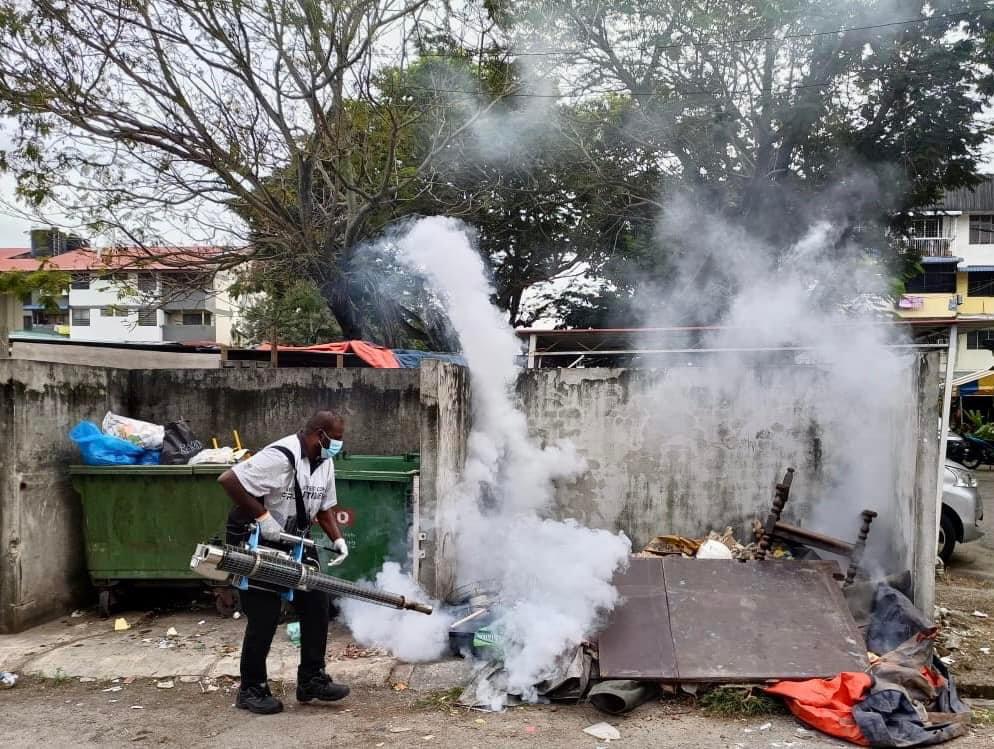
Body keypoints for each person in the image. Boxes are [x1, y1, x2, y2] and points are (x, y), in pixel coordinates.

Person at [218, 410, 351, 715]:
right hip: (258, 541)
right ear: (319, 434)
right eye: (337, 439)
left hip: (294, 541)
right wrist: (263, 517)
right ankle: (251, 689)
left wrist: (337, 539)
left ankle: (311, 680)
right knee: (264, 616)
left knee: (317, 605)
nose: (339, 445)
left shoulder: (325, 463)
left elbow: (324, 508)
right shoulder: (280, 456)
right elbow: (228, 479)